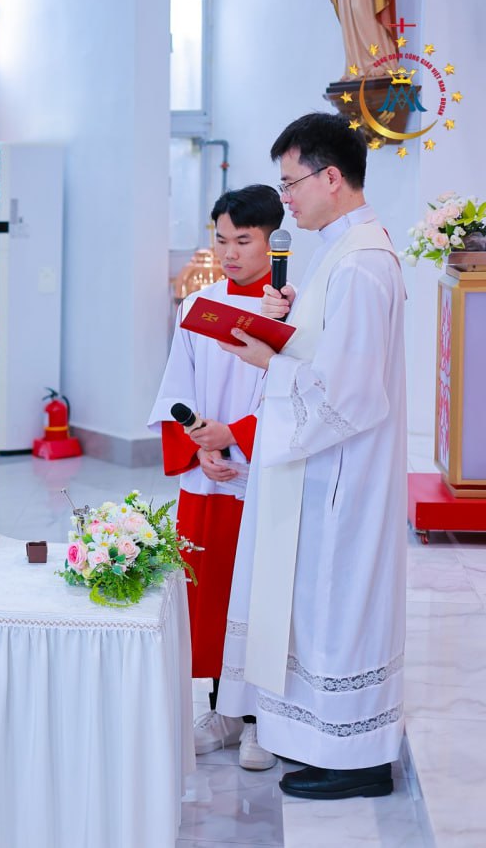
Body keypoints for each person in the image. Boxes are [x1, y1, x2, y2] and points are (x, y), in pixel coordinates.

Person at [218, 112, 406, 800]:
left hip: (343, 475)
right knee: (323, 610)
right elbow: (334, 349)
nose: (285, 199)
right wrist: (292, 324)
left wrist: (271, 359)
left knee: (338, 607)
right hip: (330, 469)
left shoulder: (361, 262)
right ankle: (333, 744)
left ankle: (359, 760)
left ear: (331, 177)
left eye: (291, 183)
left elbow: (351, 392)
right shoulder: (343, 250)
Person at [148, 185, 284, 772]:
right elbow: (176, 389)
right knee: (210, 599)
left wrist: (236, 434)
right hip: (208, 477)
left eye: (243, 241)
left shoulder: (293, 308)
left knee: (260, 597)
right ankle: (221, 712)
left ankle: (261, 722)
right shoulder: (197, 307)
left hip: (265, 476)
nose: (230, 253)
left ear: (273, 241)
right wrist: (198, 443)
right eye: (221, 239)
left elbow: (295, 396)